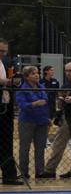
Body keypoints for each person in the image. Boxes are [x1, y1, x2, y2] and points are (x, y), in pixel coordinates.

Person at [15, 66, 52, 180]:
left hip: (42, 120)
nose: (36, 75)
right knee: (25, 147)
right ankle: (24, 172)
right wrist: (34, 104)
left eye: (37, 73)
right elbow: (21, 105)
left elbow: (46, 102)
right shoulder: (22, 89)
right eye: (33, 73)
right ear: (26, 77)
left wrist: (48, 118)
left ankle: (40, 171)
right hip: (27, 121)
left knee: (40, 147)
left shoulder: (41, 87)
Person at [0, 39, 18, 185]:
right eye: (0, 51)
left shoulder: (7, 62)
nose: (3, 53)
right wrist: (3, 81)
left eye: (5, 50)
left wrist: (14, 81)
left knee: (6, 140)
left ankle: (9, 175)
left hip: (6, 105)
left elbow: (12, 80)